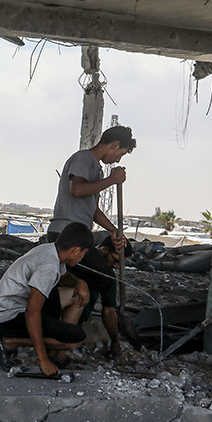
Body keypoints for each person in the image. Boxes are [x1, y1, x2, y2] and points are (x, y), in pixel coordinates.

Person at [46, 124, 136, 355]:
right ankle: (54, 336)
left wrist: (113, 230)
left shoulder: (96, 170)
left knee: (82, 289)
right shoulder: (83, 159)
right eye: (120, 153)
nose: (117, 160)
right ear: (115, 144)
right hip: (67, 235)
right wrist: (112, 180)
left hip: (79, 236)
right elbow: (77, 190)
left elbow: (92, 209)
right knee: (106, 279)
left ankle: (60, 346)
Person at [0, 222, 94, 377]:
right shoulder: (49, 267)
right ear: (76, 250)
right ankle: (8, 342)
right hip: (7, 317)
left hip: (17, 304)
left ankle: (57, 355)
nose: (81, 258)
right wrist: (43, 360)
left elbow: (65, 278)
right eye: (82, 254)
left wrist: (80, 283)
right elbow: (32, 312)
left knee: (77, 294)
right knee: (75, 340)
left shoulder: (52, 251)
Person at [73, 234, 134, 357]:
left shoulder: (108, 277)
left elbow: (108, 310)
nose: (116, 266)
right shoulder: (79, 258)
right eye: (115, 260)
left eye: (120, 263)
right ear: (105, 249)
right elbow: (108, 311)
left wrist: (115, 340)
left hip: (77, 320)